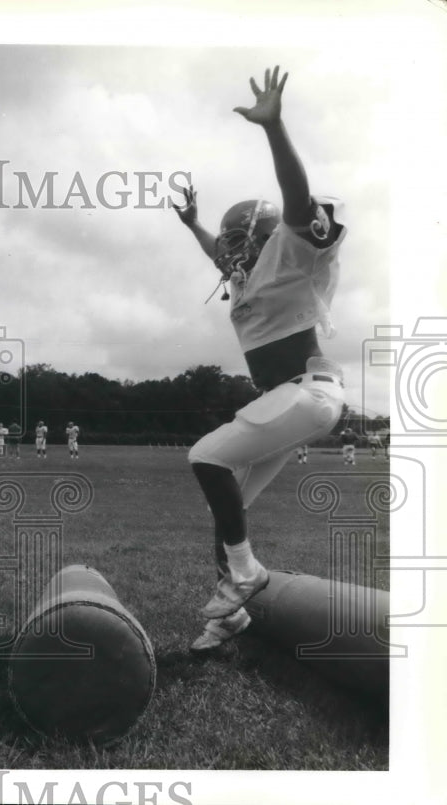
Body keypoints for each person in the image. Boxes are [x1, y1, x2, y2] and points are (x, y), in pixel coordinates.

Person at [172, 66, 346, 652]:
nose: (229, 249)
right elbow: (218, 260)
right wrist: (195, 224)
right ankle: (232, 618)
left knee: (207, 458)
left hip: (310, 390)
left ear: (265, 235)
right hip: (287, 400)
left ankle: (247, 576)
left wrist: (273, 128)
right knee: (228, 520)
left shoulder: (292, 253)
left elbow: (297, 202)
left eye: (235, 238)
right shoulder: (247, 278)